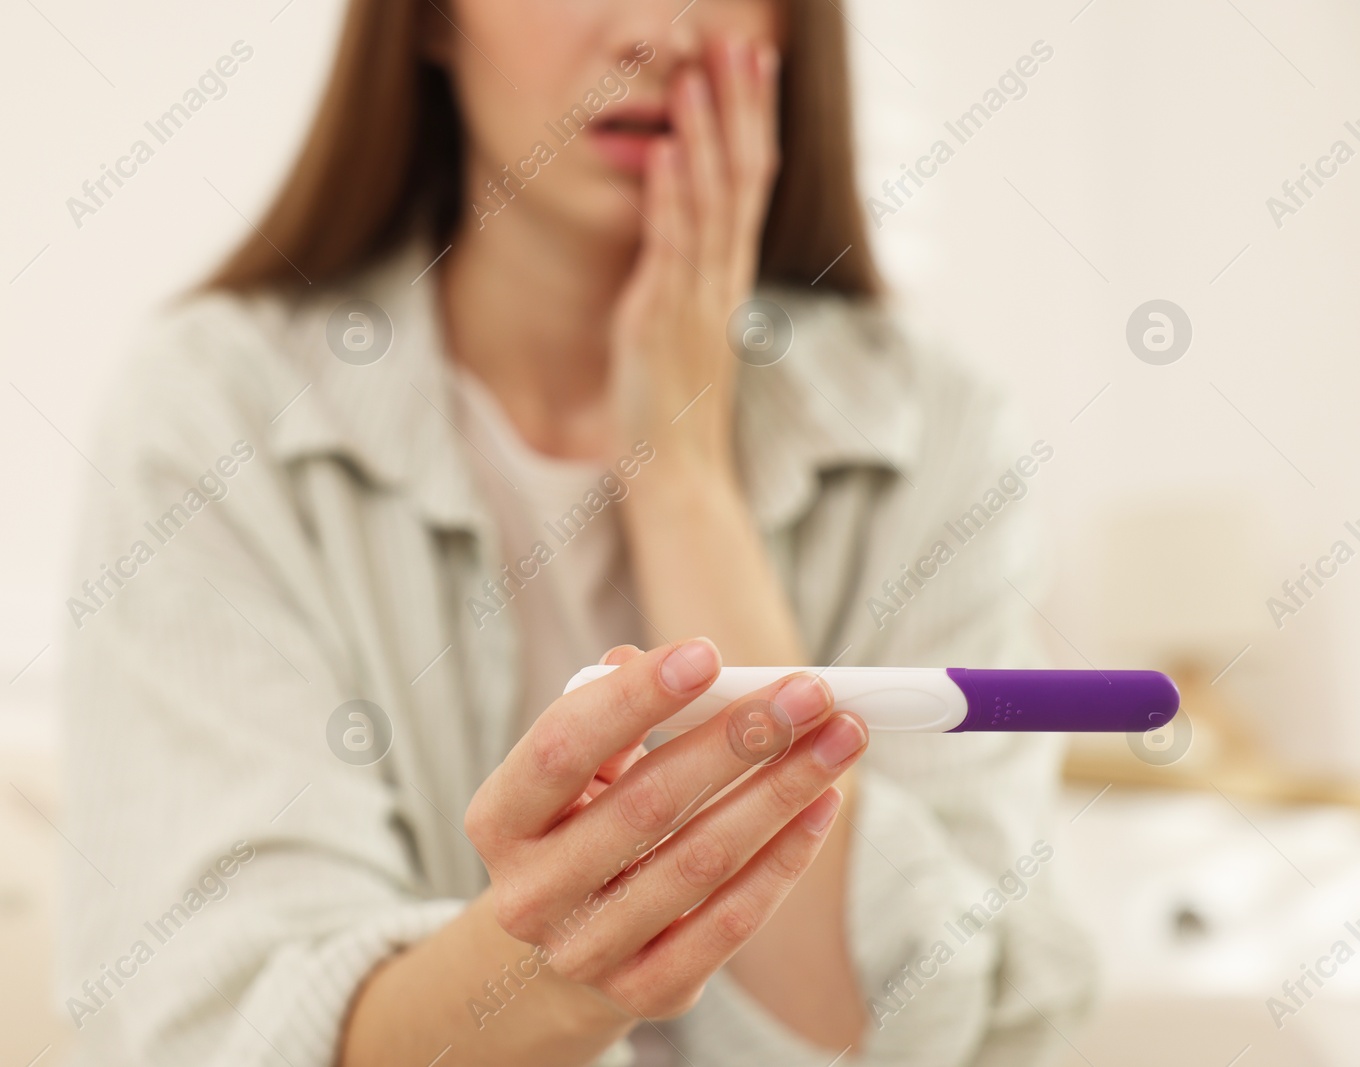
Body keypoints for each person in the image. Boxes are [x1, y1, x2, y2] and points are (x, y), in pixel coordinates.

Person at [61, 1, 1095, 1064]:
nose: (656, 32)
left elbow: (913, 1030)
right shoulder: (215, 412)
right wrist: (552, 971)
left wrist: (682, 474)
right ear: (427, 21)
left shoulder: (936, 433)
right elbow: (226, 1030)